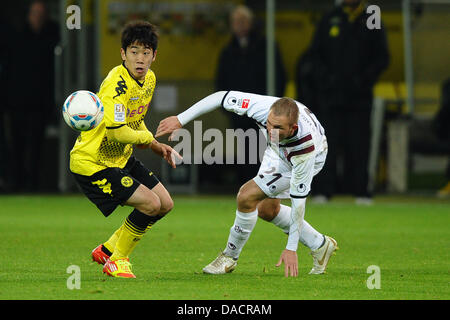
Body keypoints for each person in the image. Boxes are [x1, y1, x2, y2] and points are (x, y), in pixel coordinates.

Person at [156, 91, 338, 277]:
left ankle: (229, 257)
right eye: (268, 123)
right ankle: (320, 244)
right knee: (268, 210)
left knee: (247, 196)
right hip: (277, 149)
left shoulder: (304, 150)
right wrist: (180, 119)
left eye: (277, 127)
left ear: (292, 128)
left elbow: (298, 202)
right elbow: (220, 97)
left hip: (308, 157)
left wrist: (291, 248)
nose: (270, 129)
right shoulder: (262, 108)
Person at [69, 21, 181, 279]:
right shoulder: (114, 85)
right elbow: (117, 131)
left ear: (154, 56)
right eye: (133, 51)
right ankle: (118, 260)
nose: (139, 59)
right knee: (150, 204)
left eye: (145, 52)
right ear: (123, 54)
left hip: (120, 158)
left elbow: (134, 118)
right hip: (93, 163)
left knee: (165, 204)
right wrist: (148, 137)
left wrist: (154, 145)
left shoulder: (149, 80)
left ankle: (108, 249)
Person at [307, 0, 389, 203]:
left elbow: (381, 56)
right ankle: (324, 191)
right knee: (327, 143)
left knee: (359, 144)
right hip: (331, 96)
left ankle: (361, 191)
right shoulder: (330, 17)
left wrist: (363, 80)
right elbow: (315, 55)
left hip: (359, 97)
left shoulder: (371, 15)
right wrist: (327, 80)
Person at [214, 5, 287, 186]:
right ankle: (247, 190)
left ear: (251, 23)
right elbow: (220, 82)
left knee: (268, 152)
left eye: (243, 21)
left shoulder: (267, 47)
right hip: (239, 113)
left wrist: (275, 108)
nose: (240, 25)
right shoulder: (227, 51)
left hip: (265, 112)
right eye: (236, 22)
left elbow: (279, 76)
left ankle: (269, 189)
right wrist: (229, 109)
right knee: (245, 152)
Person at [7, 0, 60, 192]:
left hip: (41, 101)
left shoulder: (51, 36)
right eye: (35, 13)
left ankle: (34, 184)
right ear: (29, 15)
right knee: (17, 142)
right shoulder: (17, 37)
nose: (37, 17)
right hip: (17, 101)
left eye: (41, 14)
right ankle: (17, 182)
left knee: (37, 143)